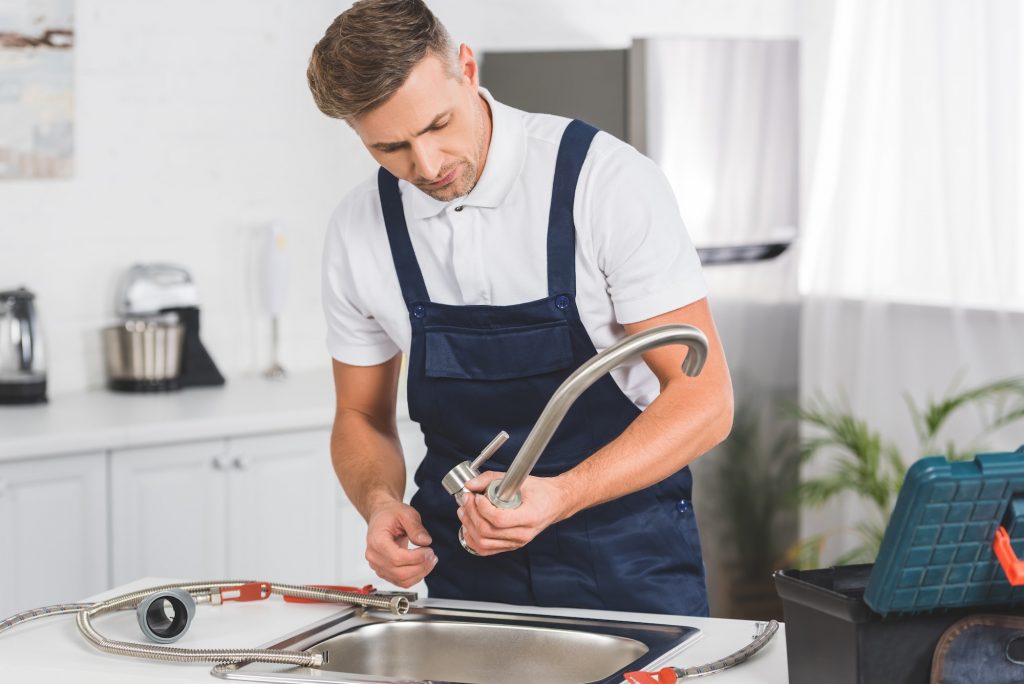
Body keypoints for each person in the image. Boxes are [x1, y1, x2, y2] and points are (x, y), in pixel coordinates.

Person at [307, 0, 733, 616]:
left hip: (627, 560)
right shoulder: (358, 228)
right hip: (468, 571)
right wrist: (378, 502)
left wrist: (561, 495)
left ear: (468, 69)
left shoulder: (603, 183)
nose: (426, 166)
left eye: (436, 126)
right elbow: (359, 414)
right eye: (391, 147)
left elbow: (705, 402)